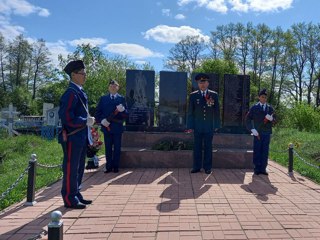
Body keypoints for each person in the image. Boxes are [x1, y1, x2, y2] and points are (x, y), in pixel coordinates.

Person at [58, 60, 95, 209]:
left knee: (79, 168)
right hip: (73, 136)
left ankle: (76, 193)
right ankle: (69, 198)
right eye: (82, 73)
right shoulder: (70, 93)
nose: (85, 76)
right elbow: (66, 116)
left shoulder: (78, 92)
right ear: (73, 75)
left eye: (85, 73)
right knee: (71, 168)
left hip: (80, 136)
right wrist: (84, 121)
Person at [186, 73, 221, 174]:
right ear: (198, 83)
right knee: (197, 147)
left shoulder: (213, 95)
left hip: (209, 127)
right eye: (200, 82)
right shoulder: (193, 96)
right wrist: (190, 126)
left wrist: (217, 125)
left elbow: (216, 111)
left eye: (204, 82)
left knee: (208, 147)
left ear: (208, 83)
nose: (202, 84)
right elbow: (190, 112)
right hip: (197, 127)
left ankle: (207, 167)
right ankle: (196, 167)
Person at [95, 80, 128, 173]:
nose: (113, 87)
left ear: (118, 87)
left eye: (115, 86)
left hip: (117, 126)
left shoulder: (122, 99)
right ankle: (108, 166)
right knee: (108, 148)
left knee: (117, 148)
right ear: (108, 87)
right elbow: (98, 112)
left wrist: (123, 110)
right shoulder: (103, 98)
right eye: (111, 86)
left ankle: (116, 166)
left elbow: (126, 114)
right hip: (107, 127)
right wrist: (101, 120)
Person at [245, 88, 276, 175]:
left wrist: (272, 119)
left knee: (265, 150)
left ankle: (263, 168)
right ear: (259, 97)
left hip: (266, 132)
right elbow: (247, 119)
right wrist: (252, 129)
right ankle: (257, 168)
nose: (264, 99)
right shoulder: (254, 107)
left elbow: (275, 120)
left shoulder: (270, 108)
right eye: (262, 97)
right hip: (257, 133)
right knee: (257, 150)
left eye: (265, 97)